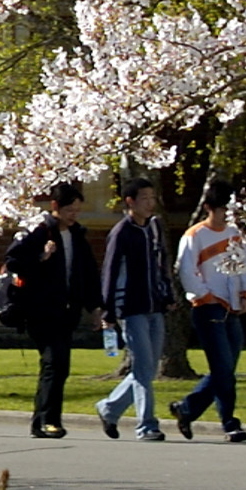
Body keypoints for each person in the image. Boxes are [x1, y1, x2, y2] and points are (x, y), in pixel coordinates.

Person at [6, 179, 101, 438]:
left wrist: (95, 307)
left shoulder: (77, 236)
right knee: (53, 363)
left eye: (77, 210)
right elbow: (13, 260)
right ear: (55, 206)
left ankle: (42, 421)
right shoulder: (39, 232)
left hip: (67, 311)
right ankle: (49, 420)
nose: (74, 215)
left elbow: (88, 273)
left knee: (59, 366)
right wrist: (41, 257)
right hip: (41, 310)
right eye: (70, 210)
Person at [170, 177, 246, 444]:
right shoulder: (195, 236)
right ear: (209, 207)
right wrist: (204, 295)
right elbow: (186, 270)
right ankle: (229, 423)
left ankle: (187, 409)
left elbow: (244, 266)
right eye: (221, 209)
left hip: (232, 307)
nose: (225, 215)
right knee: (222, 368)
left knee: (226, 368)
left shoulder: (235, 235)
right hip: (209, 308)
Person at [95, 177, 170, 442]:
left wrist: (167, 293)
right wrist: (108, 311)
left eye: (152, 198)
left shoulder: (153, 228)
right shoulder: (121, 233)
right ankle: (147, 425)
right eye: (144, 198)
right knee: (141, 367)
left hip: (154, 305)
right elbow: (110, 271)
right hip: (131, 308)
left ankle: (109, 408)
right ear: (131, 202)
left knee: (147, 370)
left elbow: (162, 263)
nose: (150, 203)